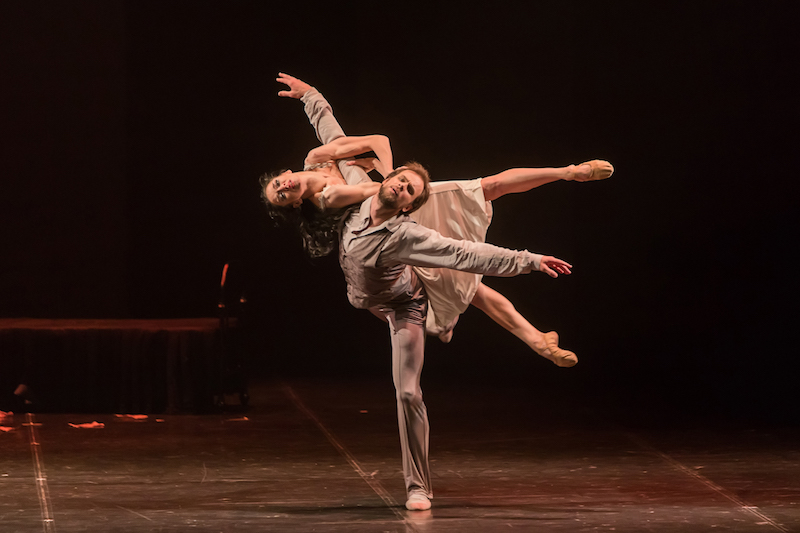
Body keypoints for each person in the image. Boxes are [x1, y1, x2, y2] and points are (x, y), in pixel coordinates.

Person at [268, 72, 614, 366]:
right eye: (282, 196)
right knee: (463, 276)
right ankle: (527, 337)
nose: (284, 187)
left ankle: (570, 172)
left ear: (284, 172)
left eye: (278, 183)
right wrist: (390, 181)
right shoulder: (329, 198)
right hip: (391, 211)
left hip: (400, 193)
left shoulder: (316, 160)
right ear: (297, 204)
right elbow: (373, 190)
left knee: (485, 189)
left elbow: (331, 131)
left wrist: (310, 96)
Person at [334, 161, 573, 510]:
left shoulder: (406, 234)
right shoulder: (360, 193)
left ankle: (418, 487)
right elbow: (339, 145)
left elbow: (466, 253)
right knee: (465, 295)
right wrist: (310, 102)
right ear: (388, 179)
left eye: (410, 190)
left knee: (408, 392)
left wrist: (530, 260)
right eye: (401, 180)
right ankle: (443, 322)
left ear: (409, 206)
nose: (401, 186)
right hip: (368, 299)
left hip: (404, 305)